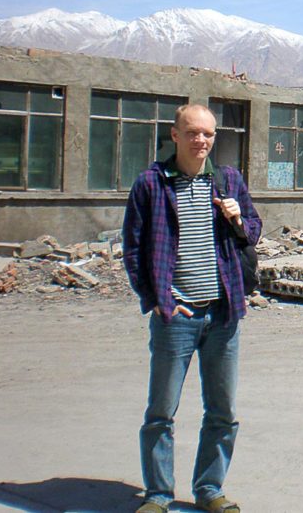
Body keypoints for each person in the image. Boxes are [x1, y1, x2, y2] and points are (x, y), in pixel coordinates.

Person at [123, 103, 261, 513]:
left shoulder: (227, 179)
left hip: (223, 314)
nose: (201, 140)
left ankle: (209, 490)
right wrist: (158, 301)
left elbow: (252, 232)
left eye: (208, 134)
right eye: (193, 132)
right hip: (177, 317)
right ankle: (158, 495)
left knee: (222, 411)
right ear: (175, 135)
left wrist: (238, 218)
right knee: (161, 412)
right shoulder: (151, 184)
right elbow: (133, 249)